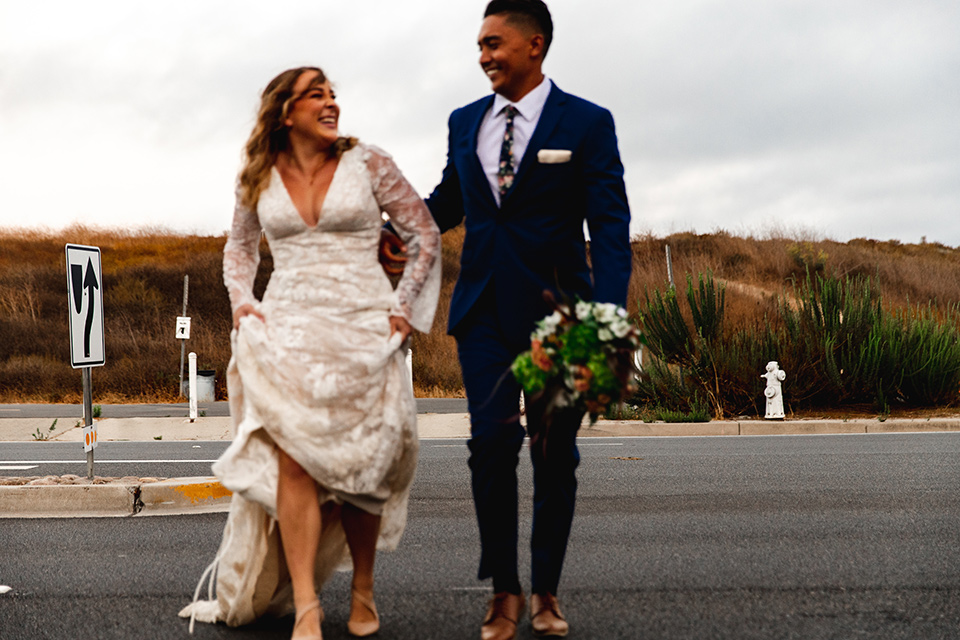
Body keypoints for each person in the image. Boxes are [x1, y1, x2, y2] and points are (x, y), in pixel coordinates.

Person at [179, 66, 441, 640]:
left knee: (363, 467)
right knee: (294, 459)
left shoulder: (368, 163)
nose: (329, 104)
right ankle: (305, 605)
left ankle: (364, 592)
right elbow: (239, 249)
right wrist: (243, 301)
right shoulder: (258, 175)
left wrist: (403, 308)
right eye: (315, 95)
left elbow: (424, 233)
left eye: (332, 94)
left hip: (365, 328)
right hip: (291, 329)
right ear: (286, 111)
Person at [420, 1, 632, 638]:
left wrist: (607, 316)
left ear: (534, 44)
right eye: (479, 45)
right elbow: (448, 201)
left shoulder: (588, 122)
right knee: (489, 446)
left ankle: (545, 590)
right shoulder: (464, 122)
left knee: (554, 455)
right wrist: (398, 233)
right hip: (482, 310)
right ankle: (503, 591)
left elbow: (612, 226)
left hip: (560, 319)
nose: (483, 55)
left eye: (494, 43)